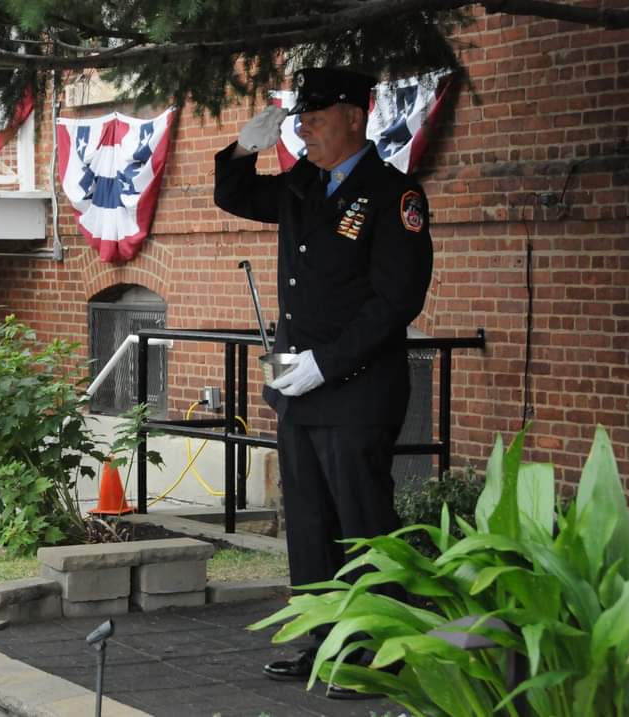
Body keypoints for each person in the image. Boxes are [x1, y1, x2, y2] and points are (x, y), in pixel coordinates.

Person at [214, 68, 433, 697]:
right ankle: (324, 639)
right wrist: (243, 147)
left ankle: (376, 652)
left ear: (354, 118)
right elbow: (233, 195)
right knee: (308, 519)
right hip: (298, 385)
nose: (302, 127)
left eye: (315, 115)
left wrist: (327, 363)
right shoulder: (302, 185)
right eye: (299, 117)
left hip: (356, 388)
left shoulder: (394, 196)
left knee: (360, 518)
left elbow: (396, 303)